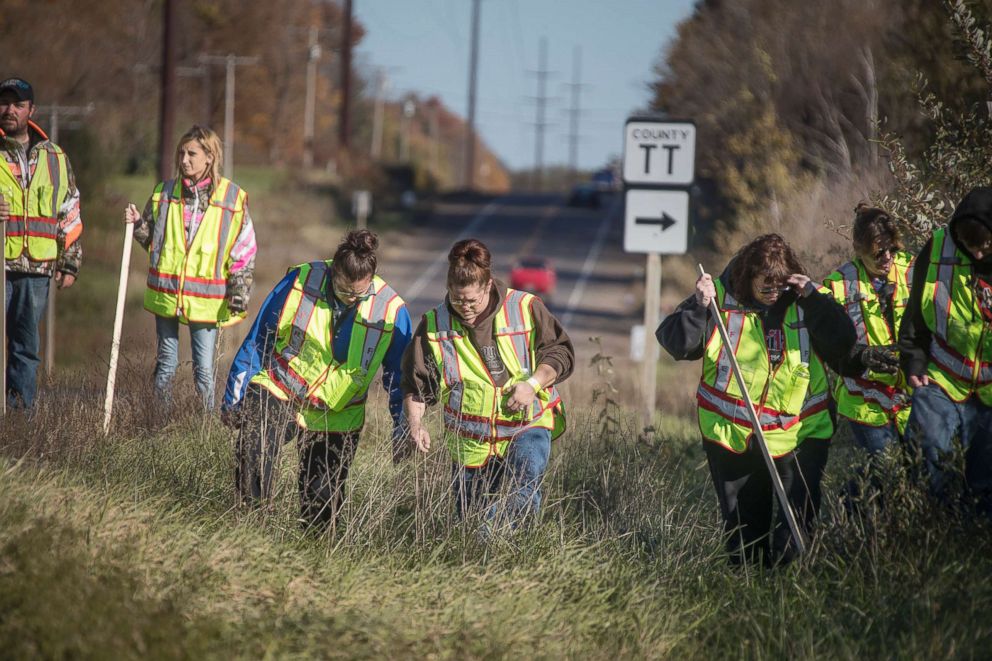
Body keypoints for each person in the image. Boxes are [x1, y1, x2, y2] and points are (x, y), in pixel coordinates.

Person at [657, 234, 856, 566]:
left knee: (796, 521)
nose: (773, 293)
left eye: (779, 285)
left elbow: (843, 343)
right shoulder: (717, 298)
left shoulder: (807, 300)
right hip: (732, 434)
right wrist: (699, 305)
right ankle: (749, 590)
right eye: (765, 286)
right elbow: (677, 344)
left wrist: (812, 297)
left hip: (800, 433)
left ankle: (787, 585)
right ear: (747, 276)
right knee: (746, 529)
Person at [222, 230, 411, 533]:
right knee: (253, 451)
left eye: (358, 294)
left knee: (321, 506)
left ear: (371, 279)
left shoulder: (391, 309)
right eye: (342, 290)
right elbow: (260, 338)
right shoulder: (300, 280)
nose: (349, 298)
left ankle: (314, 555)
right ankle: (251, 529)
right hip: (280, 387)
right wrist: (234, 397)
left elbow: (399, 377)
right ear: (333, 271)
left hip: (338, 413)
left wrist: (403, 426)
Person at [402, 239, 573, 529]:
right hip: (471, 440)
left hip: (526, 425)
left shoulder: (525, 307)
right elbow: (416, 383)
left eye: (472, 300)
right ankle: (484, 559)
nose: (464, 307)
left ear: (488, 286)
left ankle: (515, 557)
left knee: (523, 492)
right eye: (457, 299)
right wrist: (415, 425)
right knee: (471, 520)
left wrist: (532, 384)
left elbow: (560, 353)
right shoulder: (434, 324)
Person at [124, 125, 256, 409]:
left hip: (206, 300)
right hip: (166, 294)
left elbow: (244, 252)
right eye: (181, 153)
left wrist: (238, 295)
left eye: (192, 153)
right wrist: (137, 224)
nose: (184, 160)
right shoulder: (164, 193)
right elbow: (153, 243)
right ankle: (157, 424)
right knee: (165, 365)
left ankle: (205, 430)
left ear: (209, 157)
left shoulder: (232, 199)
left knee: (204, 372)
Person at [898, 187, 992, 517]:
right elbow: (915, 313)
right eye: (970, 247)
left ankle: (973, 539)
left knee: (984, 477)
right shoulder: (938, 247)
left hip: (990, 390)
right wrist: (913, 359)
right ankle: (931, 523)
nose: (978, 255)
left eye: (985, 247)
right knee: (927, 449)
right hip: (942, 375)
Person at [0, 77, 83, 408]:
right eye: (4, 103)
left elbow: (70, 211)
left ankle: (20, 422)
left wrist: (70, 262)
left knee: (25, 347)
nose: (9, 110)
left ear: (31, 110)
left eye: (18, 104)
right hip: (0, 266)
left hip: (37, 268)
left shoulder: (55, 157)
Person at [823, 205, 911, 454]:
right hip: (864, 401)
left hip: (910, 397)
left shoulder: (914, 271)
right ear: (859, 250)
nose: (887, 258)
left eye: (892, 250)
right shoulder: (837, 285)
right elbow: (831, 347)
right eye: (879, 252)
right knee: (884, 472)